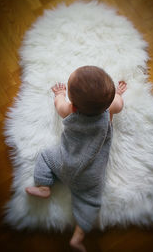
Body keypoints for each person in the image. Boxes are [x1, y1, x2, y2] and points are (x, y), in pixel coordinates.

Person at [26, 66, 127, 252]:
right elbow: (119, 105)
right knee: (91, 201)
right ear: (108, 101)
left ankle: (43, 186)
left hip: (64, 161)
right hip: (90, 174)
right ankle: (78, 236)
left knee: (45, 157)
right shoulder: (110, 107)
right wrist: (119, 94)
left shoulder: (70, 111)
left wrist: (59, 94)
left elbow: (59, 106)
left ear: (74, 106)